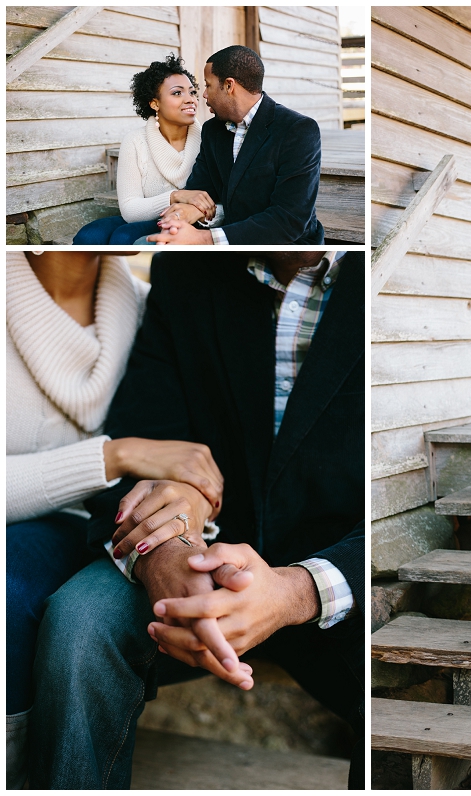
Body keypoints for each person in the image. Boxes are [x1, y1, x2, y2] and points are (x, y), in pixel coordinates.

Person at [28, 252, 363, 789]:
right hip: (197, 557)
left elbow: (414, 512)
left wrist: (300, 590)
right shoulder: (188, 269)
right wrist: (160, 552)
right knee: (81, 623)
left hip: (346, 576)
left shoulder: (393, 279)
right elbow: (142, 443)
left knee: (393, 689)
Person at [6, 251, 224, 788]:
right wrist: (116, 455)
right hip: (27, 535)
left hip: (112, 529)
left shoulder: (146, 306)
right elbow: (135, 451)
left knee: (86, 618)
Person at [145, 45, 324, 245]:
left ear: (229, 86)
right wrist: (187, 212)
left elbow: (289, 220)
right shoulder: (212, 130)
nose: (203, 95)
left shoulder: (297, 130)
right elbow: (202, 190)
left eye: (208, 85)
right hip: (226, 240)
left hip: (286, 250)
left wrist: (204, 239)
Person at [72, 55, 210, 245]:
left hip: (191, 222)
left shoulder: (209, 140)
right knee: (88, 236)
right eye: (177, 93)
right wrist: (175, 196)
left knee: (124, 237)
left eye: (192, 92)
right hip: (148, 215)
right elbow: (130, 209)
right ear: (155, 103)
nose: (190, 100)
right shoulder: (135, 141)